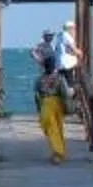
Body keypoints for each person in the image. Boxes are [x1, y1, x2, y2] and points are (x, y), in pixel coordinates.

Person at [31, 28, 70, 163]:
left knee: (52, 127)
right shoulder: (58, 78)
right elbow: (64, 92)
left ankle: (58, 152)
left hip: (48, 102)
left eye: (51, 35)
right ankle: (59, 152)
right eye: (48, 35)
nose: (50, 37)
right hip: (56, 102)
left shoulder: (40, 80)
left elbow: (36, 93)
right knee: (56, 127)